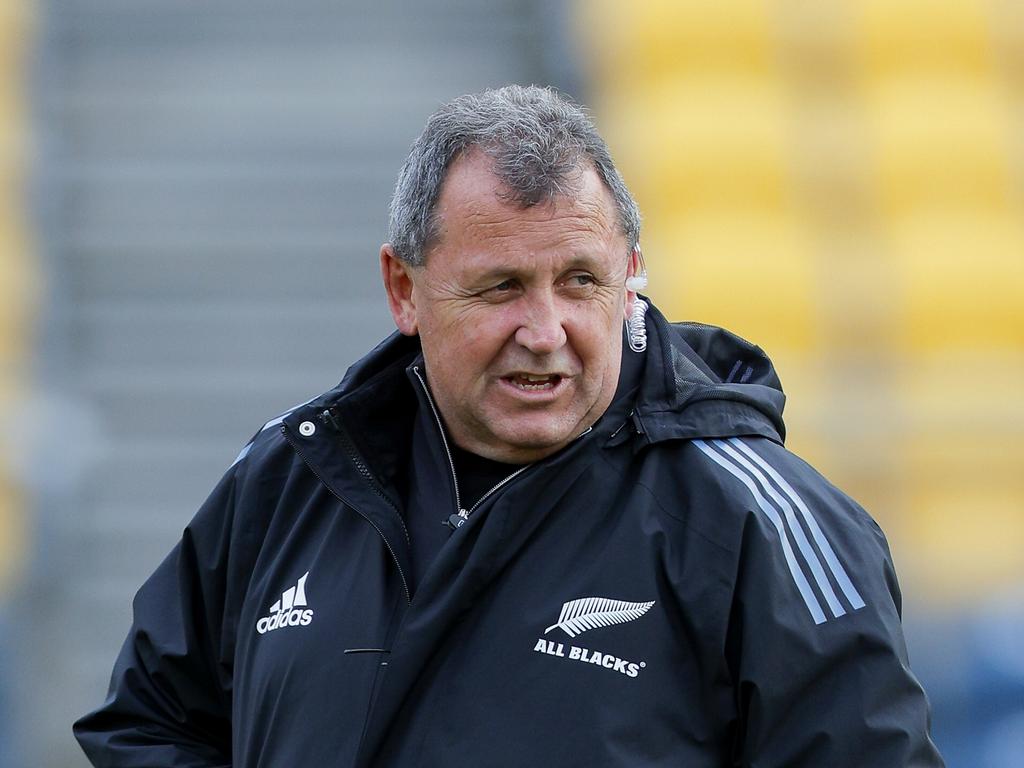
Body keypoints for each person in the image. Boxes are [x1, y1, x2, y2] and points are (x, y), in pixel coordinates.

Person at [74, 84, 944, 767]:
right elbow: (148, 721)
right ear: (404, 289)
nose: (545, 330)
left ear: (631, 274)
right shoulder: (287, 478)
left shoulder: (760, 520)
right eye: (500, 288)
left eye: (580, 282)